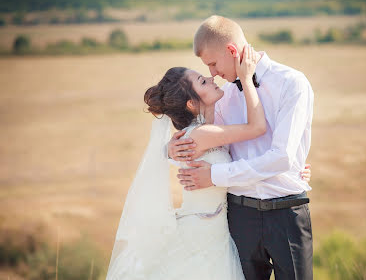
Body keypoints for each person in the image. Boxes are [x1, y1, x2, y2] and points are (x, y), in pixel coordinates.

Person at [106, 44, 311, 279]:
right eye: (202, 81)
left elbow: (249, 150)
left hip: (220, 232)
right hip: (203, 233)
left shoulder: (211, 129)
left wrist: (293, 168)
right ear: (192, 104)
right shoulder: (202, 134)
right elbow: (257, 128)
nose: (211, 76)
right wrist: (246, 78)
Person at [168, 15, 315, 280]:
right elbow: (207, 140)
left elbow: (282, 157)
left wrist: (214, 176)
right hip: (239, 216)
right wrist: (172, 146)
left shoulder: (292, 83)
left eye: (213, 63)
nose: (212, 73)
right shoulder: (223, 98)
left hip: (287, 213)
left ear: (232, 51)